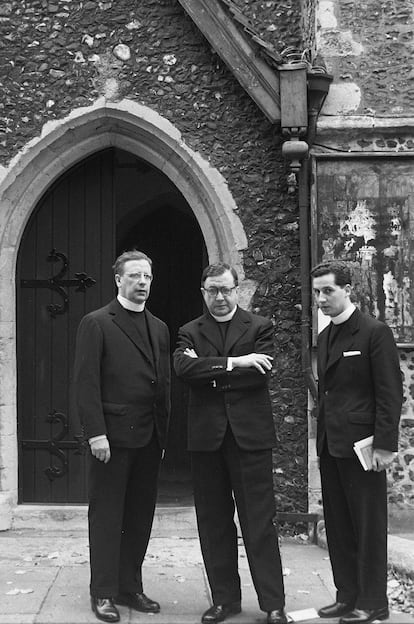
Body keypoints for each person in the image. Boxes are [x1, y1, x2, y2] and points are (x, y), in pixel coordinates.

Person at [173, 262, 287, 624]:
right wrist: (237, 362)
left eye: (226, 290)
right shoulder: (189, 331)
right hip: (207, 440)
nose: (220, 297)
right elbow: (183, 371)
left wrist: (209, 369)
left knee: (259, 522)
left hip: (250, 439)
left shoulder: (260, 326)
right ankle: (225, 600)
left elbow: (260, 376)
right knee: (214, 522)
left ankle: (273, 604)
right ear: (203, 292)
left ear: (239, 290)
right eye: (212, 291)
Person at [74, 250, 170, 623]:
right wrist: (96, 435)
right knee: (107, 516)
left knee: (140, 516)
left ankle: (130, 587)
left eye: (147, 276)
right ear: (118, 280)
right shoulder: (97, 323)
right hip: (111, 440)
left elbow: (163, 384)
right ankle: (103, 593)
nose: (142, 282)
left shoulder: (159, 327)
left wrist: (162, 436)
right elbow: (86, 384)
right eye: (134, 276)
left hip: (148, 439)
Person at [311, 260, 403, 624]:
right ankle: (346, 595)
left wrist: (385, 444)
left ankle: (373, 601)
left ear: (348, 289)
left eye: (328, 290)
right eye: (317, 292)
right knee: (338, 525)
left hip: (363, 446)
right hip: (331, 446)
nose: (321, 298)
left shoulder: (373, 332)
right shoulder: (325, 335)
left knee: (367, 526)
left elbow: (389, 392)